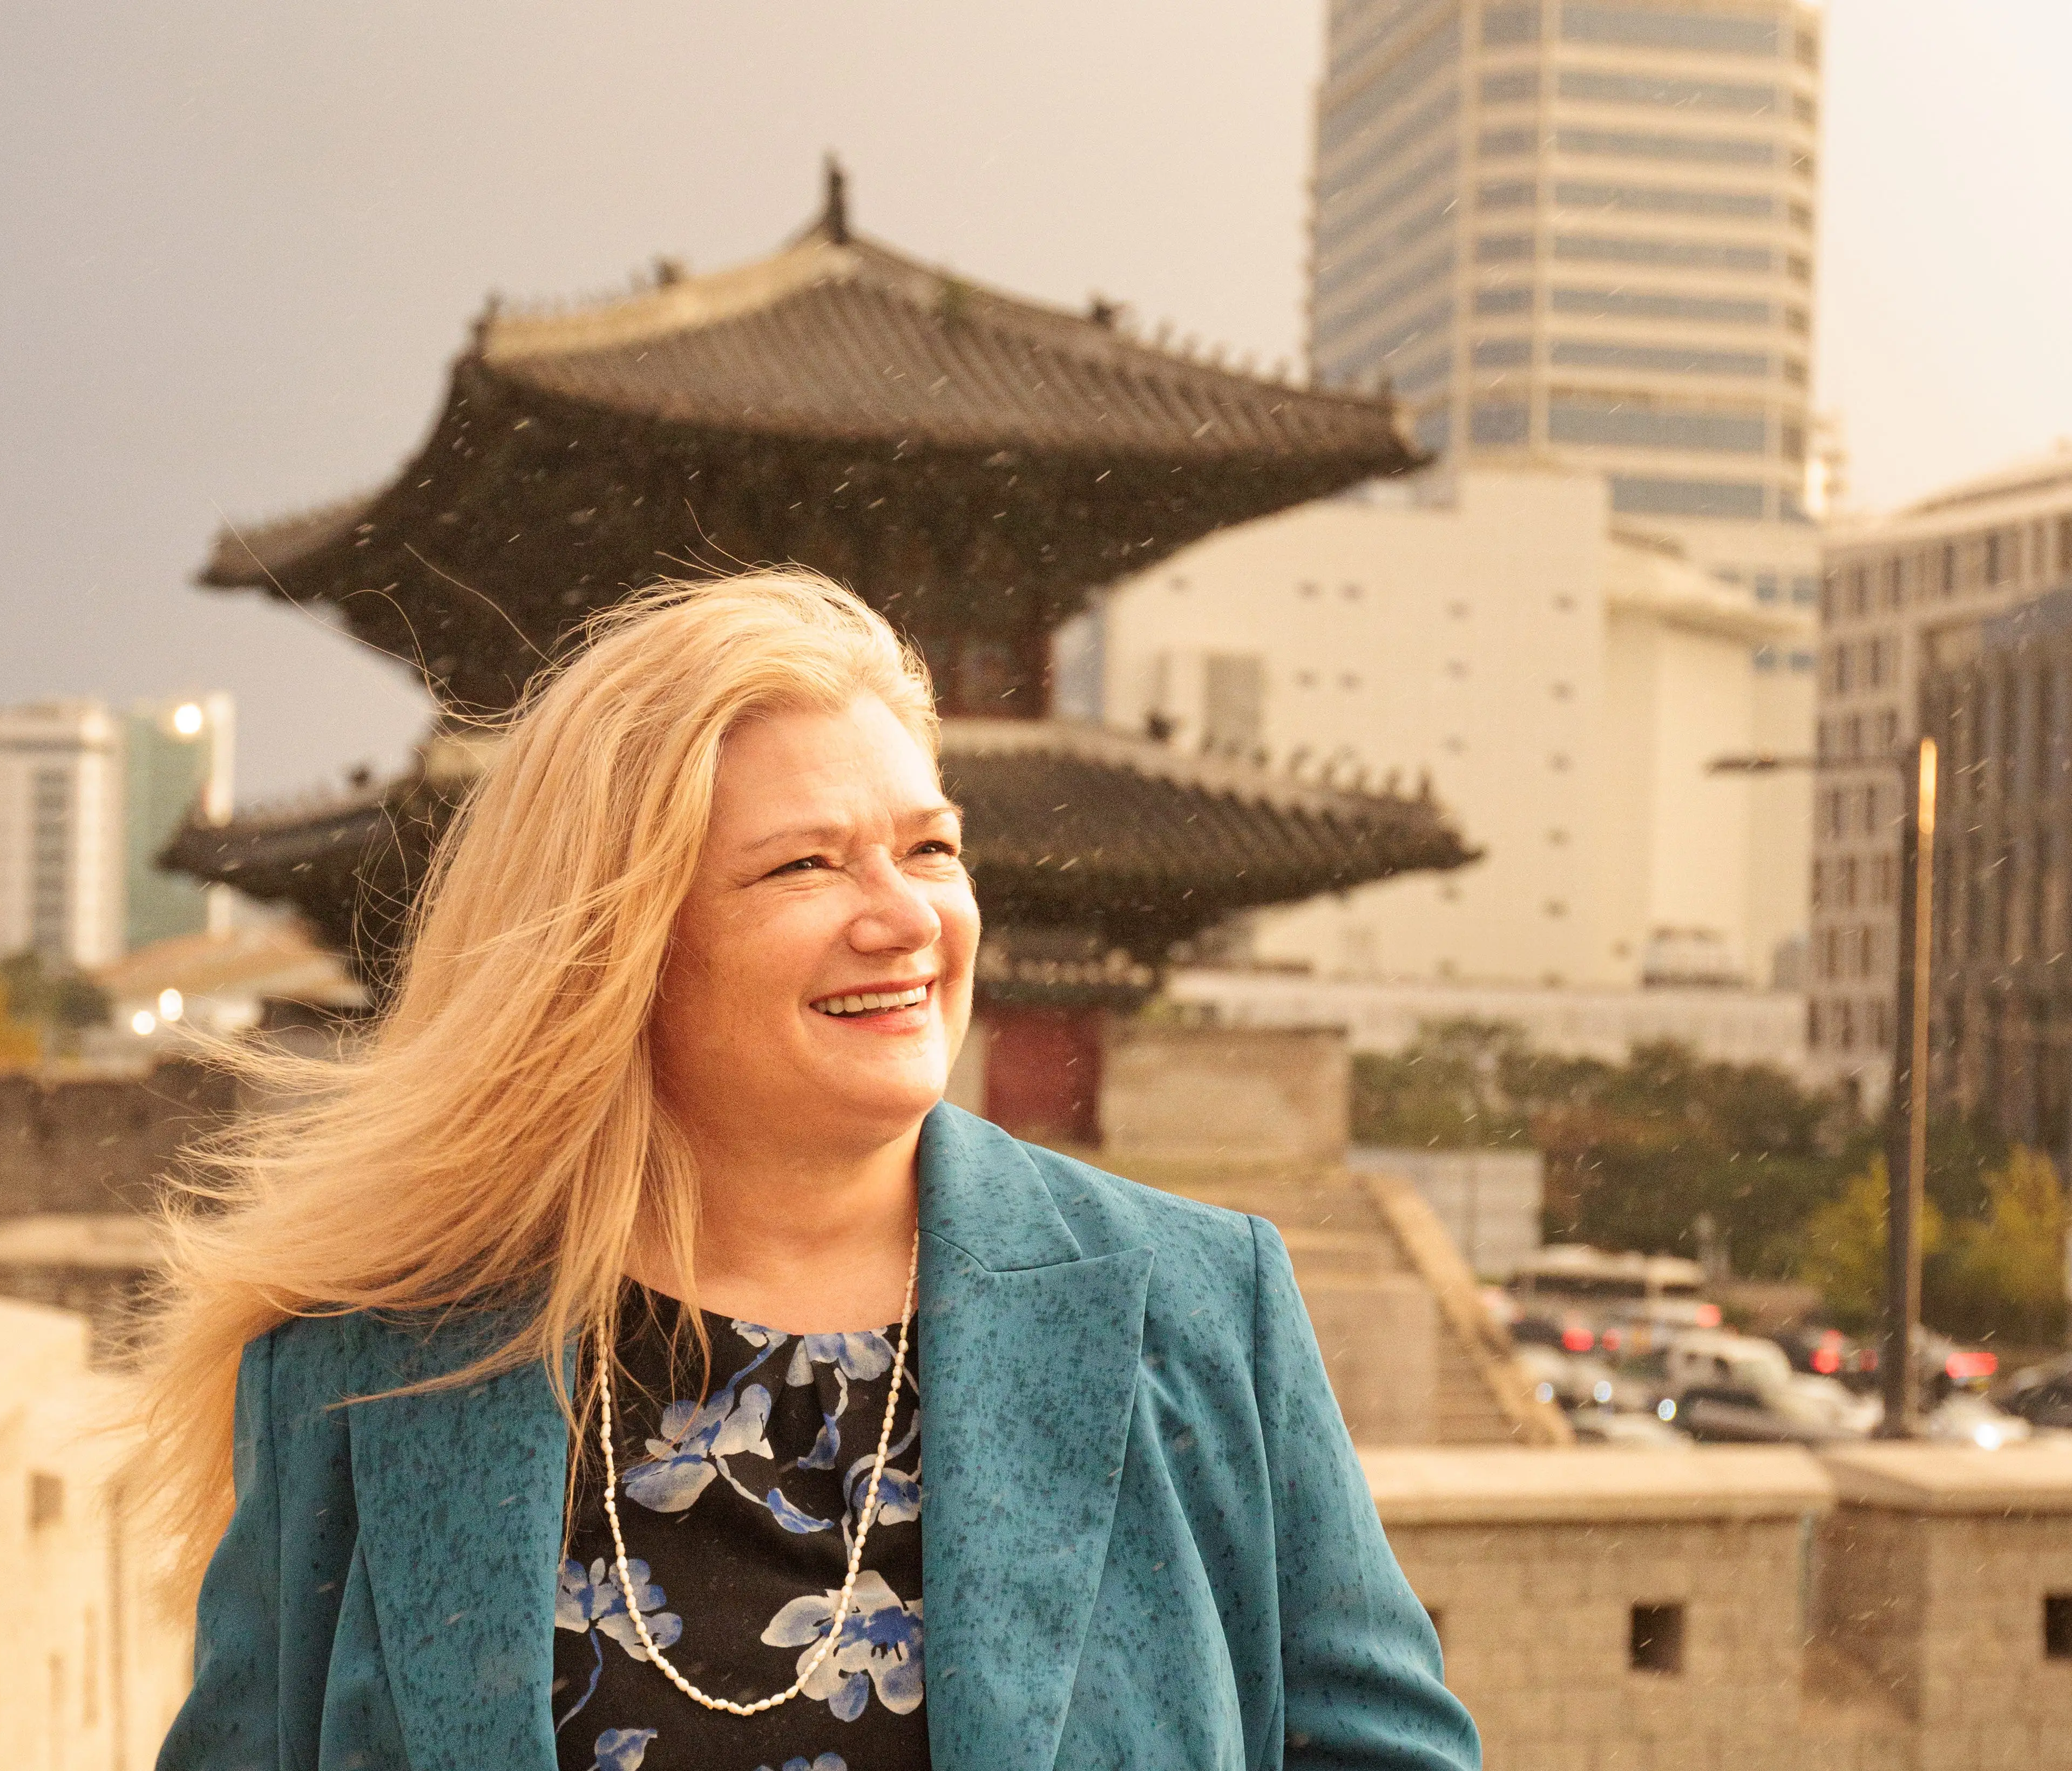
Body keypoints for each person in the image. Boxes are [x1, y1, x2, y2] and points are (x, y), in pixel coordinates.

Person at [140, 569, 1480, 1771]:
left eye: (931, 848)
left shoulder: (1199, 1307)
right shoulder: (367, 1362)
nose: (906, 918)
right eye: (805, 864)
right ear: (620, 944)